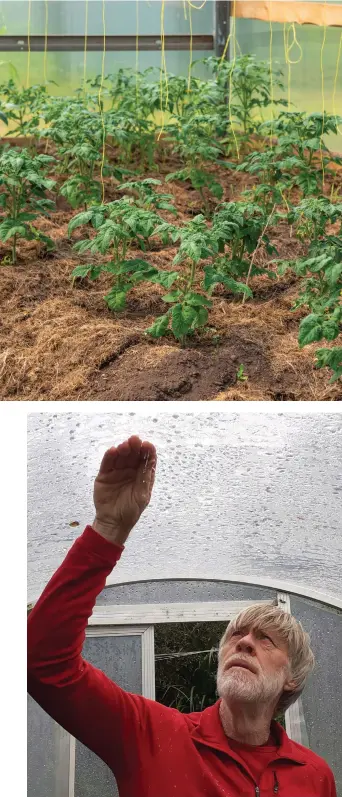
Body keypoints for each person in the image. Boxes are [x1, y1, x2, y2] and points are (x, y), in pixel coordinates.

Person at [27, 435, 337, 797]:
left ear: (292, 677)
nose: (246, 643)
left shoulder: (314, 776)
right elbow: (42, 661)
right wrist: (108, 530)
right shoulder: (149, 734)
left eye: (266, 639)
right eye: (236, 635)